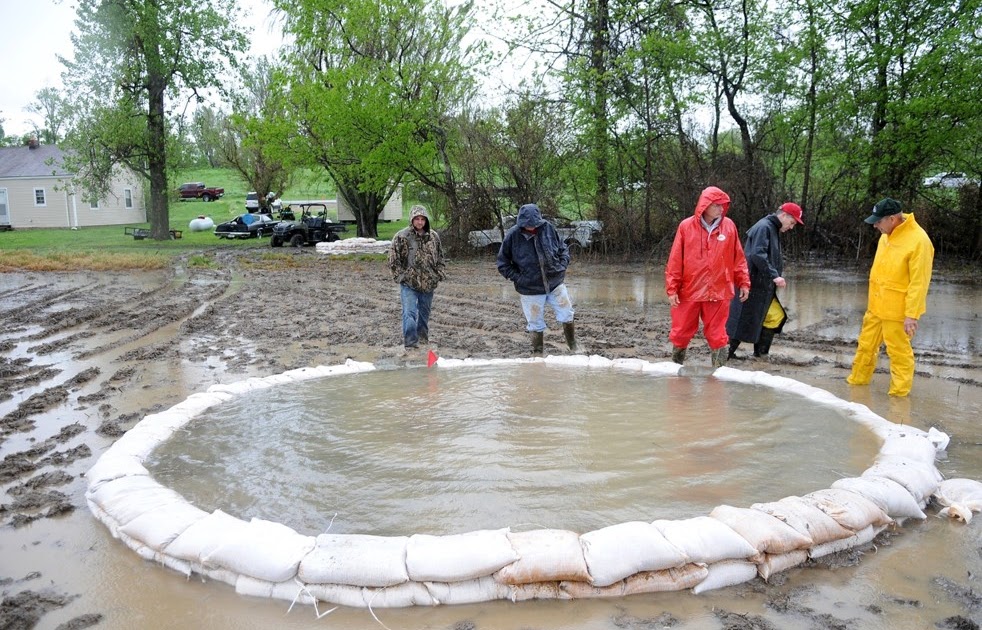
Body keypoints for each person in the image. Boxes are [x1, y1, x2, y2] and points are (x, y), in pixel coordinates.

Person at [847, 197, 934, 397]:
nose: (875, 225)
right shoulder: (886, 235)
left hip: (898, 312)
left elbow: (919, 283)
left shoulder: (919, 241)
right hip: (876, 307)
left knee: (899, 353)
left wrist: (911, 315)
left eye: (878, 221)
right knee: (865, 346)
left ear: (893, 219)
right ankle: (856, 386)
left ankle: (899, 399)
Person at [665, 186, 750, 368]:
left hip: (718, 290)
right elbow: (675, 260)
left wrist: (743, 282)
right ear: (705, 205)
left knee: (718, 335)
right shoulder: (686, 227)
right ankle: (675, 371)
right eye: (717, 205)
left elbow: (738, 258)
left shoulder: (729, 226)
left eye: (723, 205)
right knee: (680, 332)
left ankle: (719, 374)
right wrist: (672, 289)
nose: (721, 209)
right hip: (689, 290)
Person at [497, 203, 580, 355]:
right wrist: (519, 278)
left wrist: (562, 264)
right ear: (521, 222)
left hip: (555, 282)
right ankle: (538, 352)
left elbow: (562, 248)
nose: (531, 227)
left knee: (567, 313)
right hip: (530, 289)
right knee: (535, 322)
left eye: (533, 224)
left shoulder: (548, 228)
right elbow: (502, 264)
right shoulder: (513, 236)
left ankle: (573, 346)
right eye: (527, 225)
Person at [726, 202, 804, 360]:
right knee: (743, 319)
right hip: (753, 284)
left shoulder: (772, 228)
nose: (791, 227)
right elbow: (757, 254)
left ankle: (760, 355)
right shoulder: (765, 227)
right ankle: (726, 354)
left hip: (763, 285)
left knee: (773, 317)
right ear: (783, 215)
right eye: (792, 223)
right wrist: (774, 275)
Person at [388, 205, 447, 350]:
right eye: (417, 219)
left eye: (422, 219)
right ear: (412, 220)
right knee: (409, 313)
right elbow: (393, 260)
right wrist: (401, 277)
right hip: (409, 284)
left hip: (428, 283)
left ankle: (422, 340)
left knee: (424, 314)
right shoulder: (401, 237)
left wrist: (438, 274)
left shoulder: (434, 237)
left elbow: (440, 257)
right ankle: (410, 343)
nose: (420, 222)